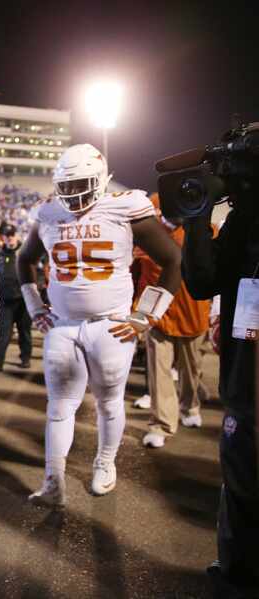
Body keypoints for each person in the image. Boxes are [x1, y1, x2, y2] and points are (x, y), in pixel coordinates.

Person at [17, 144, 181, 506]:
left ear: (100, 180)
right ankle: (53, 479)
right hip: (63, 325)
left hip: (111, 325)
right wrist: (34, 307)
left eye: (81, 185)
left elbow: (171, 259)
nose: (74, 194)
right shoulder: (48, 213)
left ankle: (105, 463)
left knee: (109, 403)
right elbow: (24, 259)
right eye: (68, 186)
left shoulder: (125, 205)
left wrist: (147, 316)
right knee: (59, 406)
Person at [182, 180, 259, 597]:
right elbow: (202, 280)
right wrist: (197, 219)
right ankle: (235, 574)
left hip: (247, 389)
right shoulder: (245, 221)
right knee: (243, 484)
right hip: (247, 388)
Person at [136, 195, 213, 449]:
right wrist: (135, 311)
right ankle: (161, 423)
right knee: (159, 372)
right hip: (158, 315)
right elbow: (135, 274)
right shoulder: (146, 232)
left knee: (191, 370)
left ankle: (190, 406)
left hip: (193, 311)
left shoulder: (204, 230)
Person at [0, 222, 32, 371]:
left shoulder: (26, 251)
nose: (10, 238)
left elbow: (36, 272)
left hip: (23, 300)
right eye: (7, 236)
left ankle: (25, 358)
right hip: (5, 300)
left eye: (12, 235)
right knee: (3, 333)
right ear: (3, 238)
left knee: (24, 331)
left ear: (16, 235)